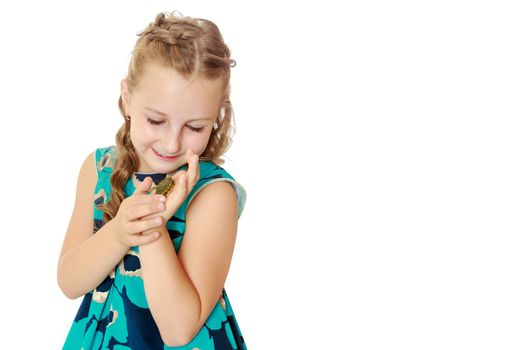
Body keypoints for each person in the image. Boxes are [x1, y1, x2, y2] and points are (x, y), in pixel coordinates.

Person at [57, 11, 248, 349]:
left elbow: (178, 330)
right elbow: (70, 282)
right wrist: (118, 232)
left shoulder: (213, 194)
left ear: (215, 119)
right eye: (156, 120)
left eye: (194, 127)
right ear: (128, 99)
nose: (172, 143)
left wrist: (151, 227)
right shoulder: (98, 168)